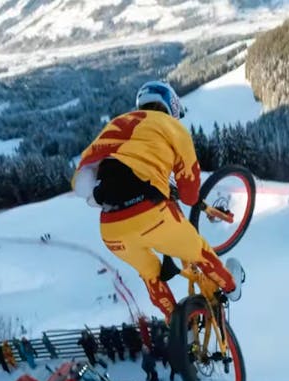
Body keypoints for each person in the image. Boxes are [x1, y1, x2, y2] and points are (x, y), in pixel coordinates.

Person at [71, 80, 245, 324]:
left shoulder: (115, 124)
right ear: (170, 105)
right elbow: (189, 195)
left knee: (150, 274)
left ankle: (178, 327)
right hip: (151, 214)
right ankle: (231, 287)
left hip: (111, 229)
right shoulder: (172, 126)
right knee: (200, 252)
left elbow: (81, 180)